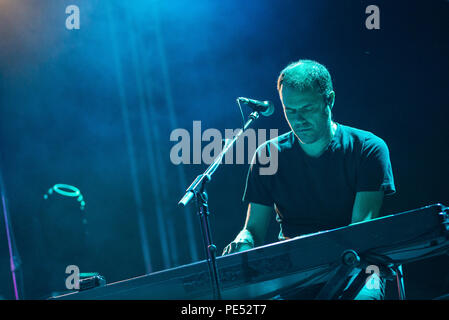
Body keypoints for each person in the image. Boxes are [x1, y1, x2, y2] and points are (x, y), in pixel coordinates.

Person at [222, 59, 396, 300]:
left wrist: (307, 248)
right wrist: (244, 240)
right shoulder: (267, 154)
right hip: (295, 270)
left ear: (330, 100)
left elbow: (360, 232)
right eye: (289, 110)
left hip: (360, 266)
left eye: (307, 108)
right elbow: (253, 229)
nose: (298, 120)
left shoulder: (368, 149)